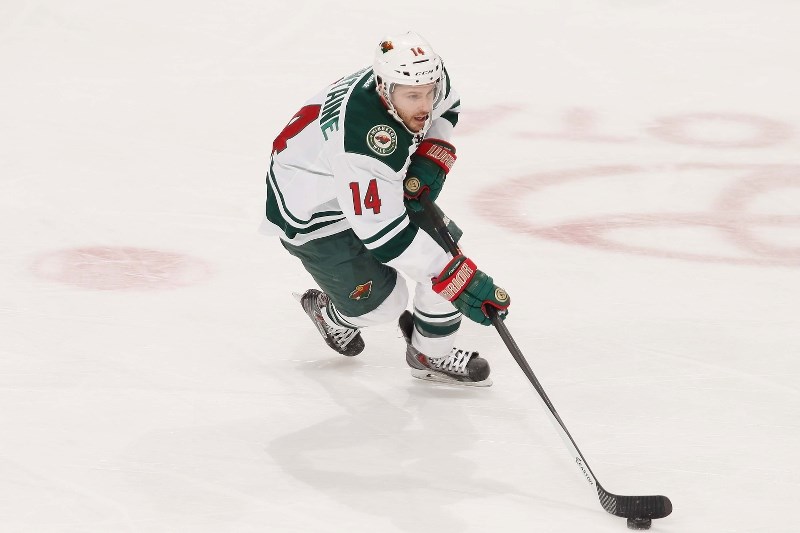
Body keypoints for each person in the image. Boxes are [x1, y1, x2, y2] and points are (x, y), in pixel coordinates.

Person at [261, 31, 510, 386]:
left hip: (356, 182)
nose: (424, 105)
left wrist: (431, 154)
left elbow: (446, 108)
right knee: (389, 303)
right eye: (413, 97)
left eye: (429, 93)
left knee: (446, 255)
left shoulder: (420, 79)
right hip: (312, 210)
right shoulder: (365, 142)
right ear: (384, 89)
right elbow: (385, 237)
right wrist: (457, 278)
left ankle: (431, 355)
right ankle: (332, 317)